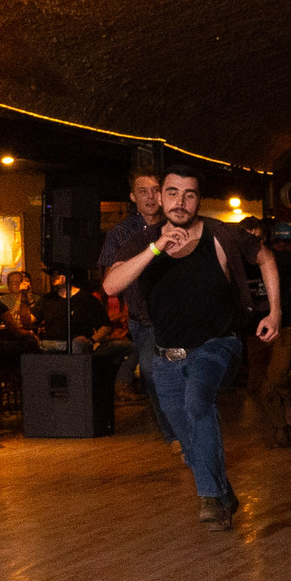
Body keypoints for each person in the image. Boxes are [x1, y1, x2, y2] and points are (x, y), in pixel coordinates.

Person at [104, 169, 280, 523]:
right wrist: (156, 248)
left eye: (189, 194)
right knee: (186, 435)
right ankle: (223, 494)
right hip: (166, 355)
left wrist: (275, 312)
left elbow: (266, 258)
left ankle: (211, 500)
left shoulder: (220, 234)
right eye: (172, 193)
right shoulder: (145, 240)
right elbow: (111, 285)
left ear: (199, 199)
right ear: (160, 198)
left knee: (197, 401)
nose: (180, 202)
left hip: (217, 345)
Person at [97, 166, 177, 443]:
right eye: (143, 191)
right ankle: (173, 434)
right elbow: (110, 281)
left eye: (156, 191)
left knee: (180, 372)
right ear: (132, 196)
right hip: (143, 320)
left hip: (176, 316)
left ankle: (181, 431)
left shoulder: (177, 225)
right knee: (151, 373)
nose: (150, 197)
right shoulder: (121, 232)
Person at [248, 222, 291, 444]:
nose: (282, 246)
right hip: (254, 330)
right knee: (259, 384)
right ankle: (280, 427)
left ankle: (289, 396)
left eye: (286, 242)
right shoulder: (241, 263)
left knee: (277, 375)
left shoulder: (286, 261)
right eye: (278, 242)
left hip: (285, 326)